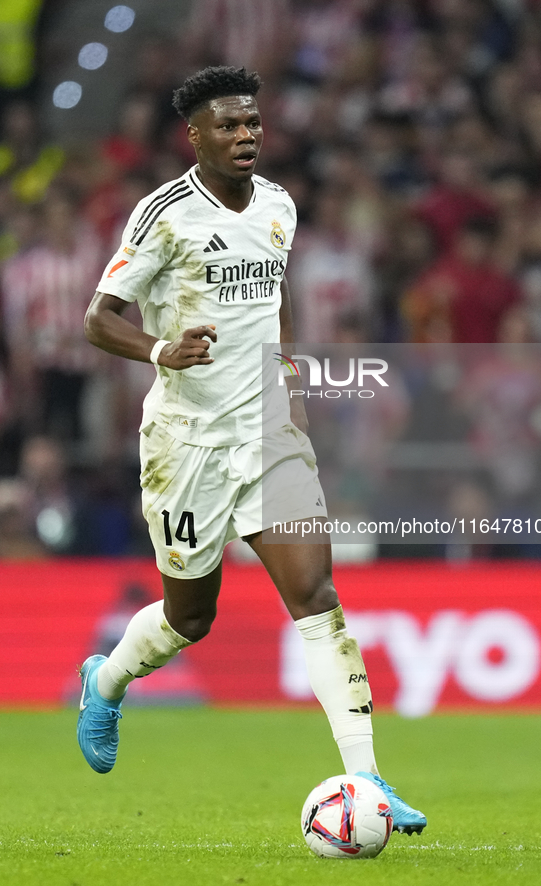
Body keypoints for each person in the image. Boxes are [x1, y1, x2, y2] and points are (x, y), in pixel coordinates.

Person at [77, 65, 426, 836]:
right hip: (186, 445)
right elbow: (99, 319)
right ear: (194, 135)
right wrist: (161, 348)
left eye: (252, 124)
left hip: (267, 435)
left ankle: (366, 779)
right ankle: (106, 681)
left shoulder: (277, 205)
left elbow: (277, 294)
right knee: (188, 618)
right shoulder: (161, 215)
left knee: (317, 598)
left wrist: (292, 382)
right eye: (228, 126)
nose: (245, 136)